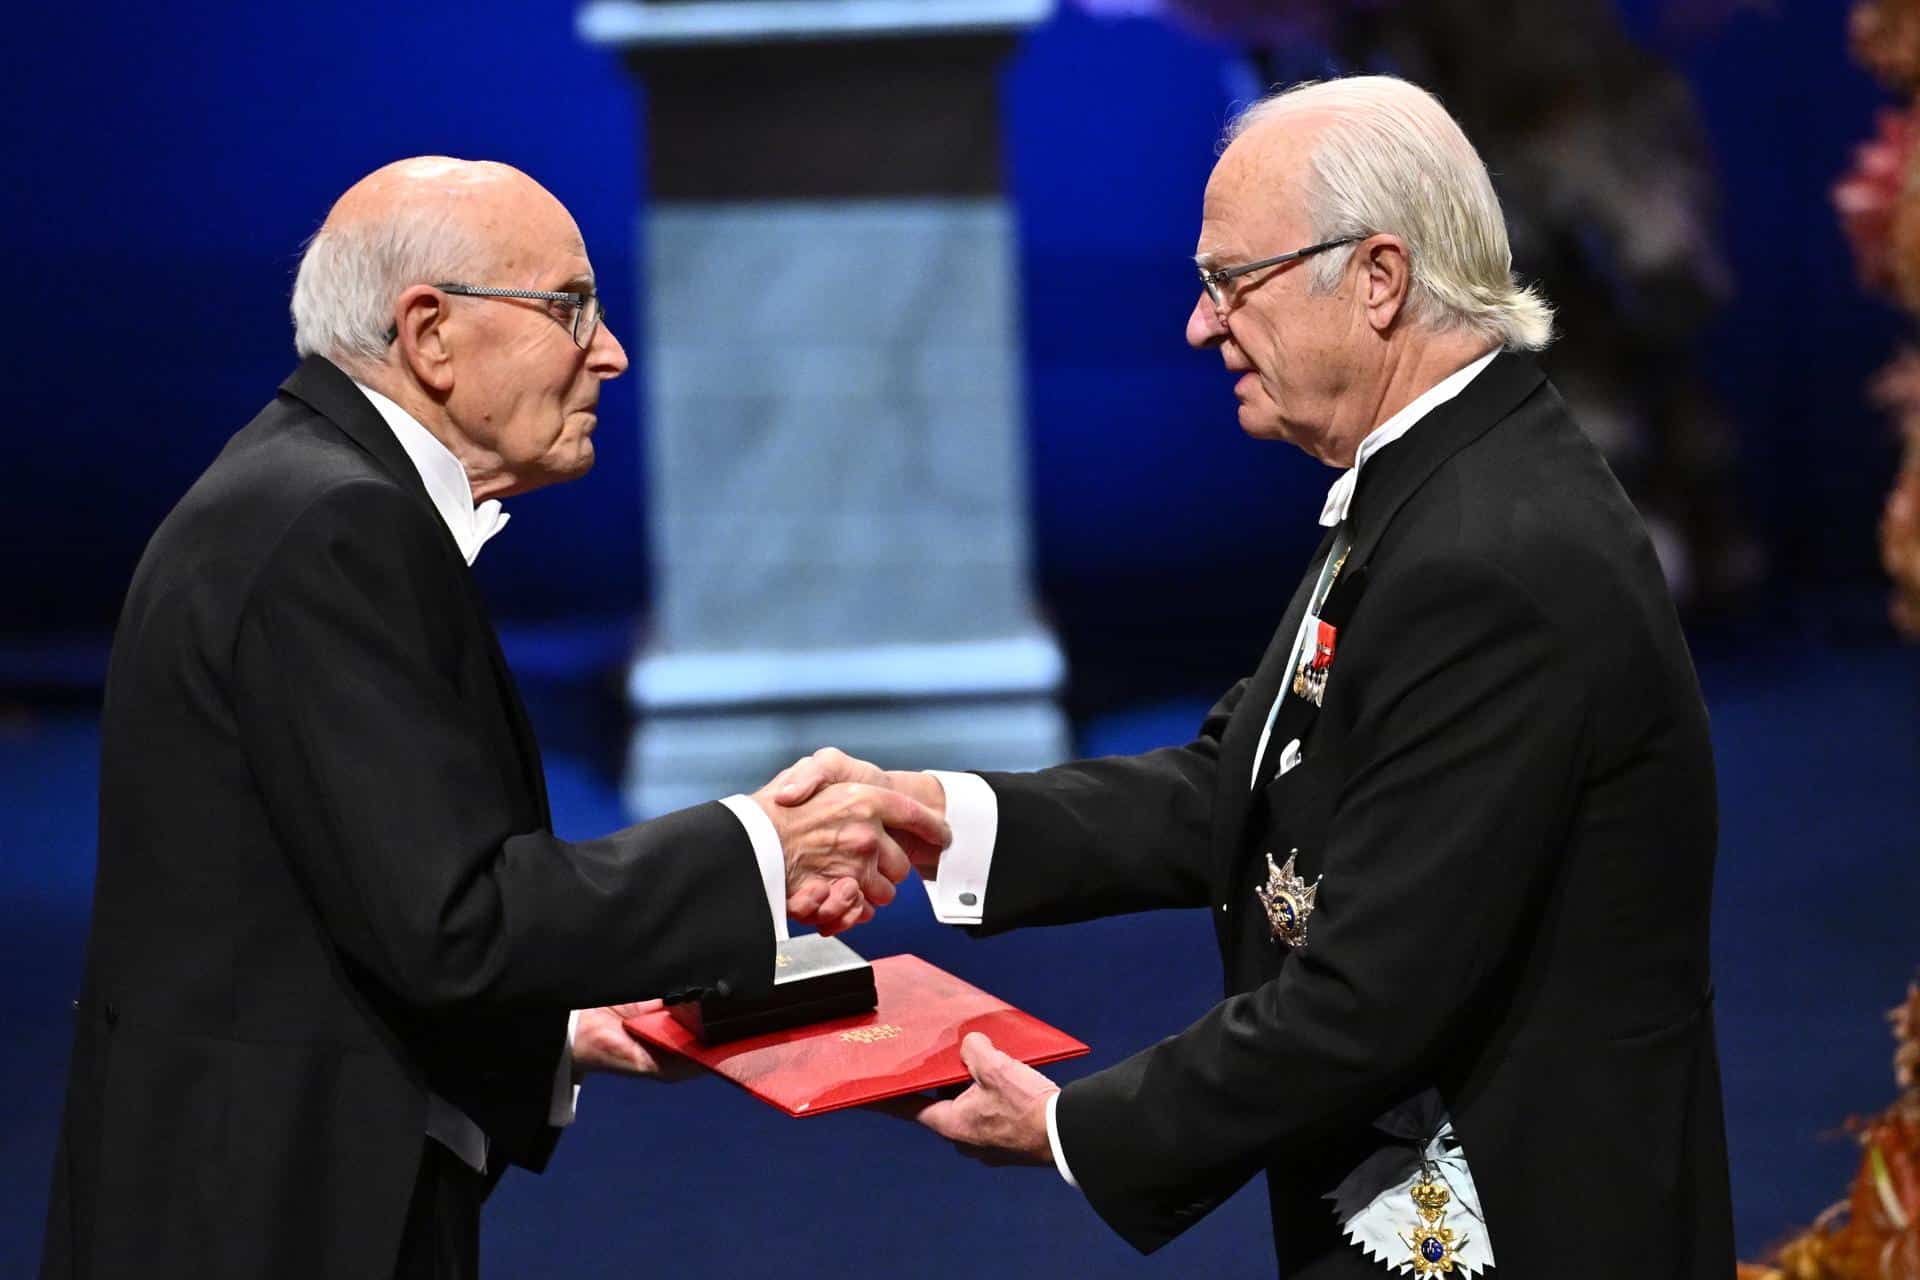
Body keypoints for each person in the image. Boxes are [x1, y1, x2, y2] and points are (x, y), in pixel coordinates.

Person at [780, 77, 1733, 1276]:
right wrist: (947, 818)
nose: (1197, 324)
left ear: (1379, 278)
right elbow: (1244, 782)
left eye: (1231, 282)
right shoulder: (1440, 480)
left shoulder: (1493, 555)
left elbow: (1365, 998)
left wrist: (1073, 1125)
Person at [39, 157, 948, 1280]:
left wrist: (558, 1024)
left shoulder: (303, 490)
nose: (609, 350)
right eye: (571, 308)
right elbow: (451, 921)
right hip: (273, 1216)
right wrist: (764, 843)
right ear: (429, 333)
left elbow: (336, 910)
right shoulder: (333, 526)